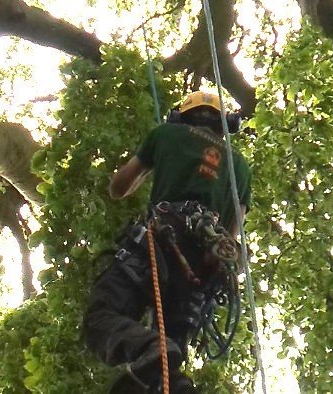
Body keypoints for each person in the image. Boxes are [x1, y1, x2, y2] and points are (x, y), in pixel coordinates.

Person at [81, 91, 252, 393]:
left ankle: (149, 347)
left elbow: (119, 188)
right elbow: (233, 233)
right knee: (169, 359)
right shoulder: (240, 166)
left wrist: (150, 160)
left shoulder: (166, 135)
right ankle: (172, 379)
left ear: (181, 116)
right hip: (201, 267)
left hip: (163, 237)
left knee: (100, 318)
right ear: (225, 124)